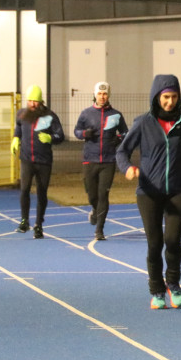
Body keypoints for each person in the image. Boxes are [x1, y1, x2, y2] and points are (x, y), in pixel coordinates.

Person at [116, 74, 181, 310]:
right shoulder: (143, 123)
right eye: (165, 97)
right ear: (156, 97)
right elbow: (122, 152)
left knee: (173, 240)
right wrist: (128, 168)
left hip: (179, 189)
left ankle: (173, 284)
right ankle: (157, 290)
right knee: (154, 243)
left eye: (174, 97)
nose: (170, 102)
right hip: (149, 191)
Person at [74, 81, 128, 241]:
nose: (102, 97)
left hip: (108, 160)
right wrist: (85, 134)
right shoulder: (86, 113)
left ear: (108, 95)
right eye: (99, 94)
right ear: (95, 95)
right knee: (92, 195)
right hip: (89, 159)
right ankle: (94, 209)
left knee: (103, 194)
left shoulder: (116, 115)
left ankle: (99, 229)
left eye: (105, 94)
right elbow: (76, 131)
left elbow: (126, 133)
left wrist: (118, 139)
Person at [12, 85, 65, 238]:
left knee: (42, 192)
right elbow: (19, 127)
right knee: (24, 190)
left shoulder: (50, 116)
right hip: (27, 159)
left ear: (41, 101)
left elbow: (60, 136)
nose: (33, 104)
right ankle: (24, 221)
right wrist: (16, 138)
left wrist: (51, 138)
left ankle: (39, 224)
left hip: (44, 162)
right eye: (30, 101)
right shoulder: (22, 114)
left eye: (35, 101)